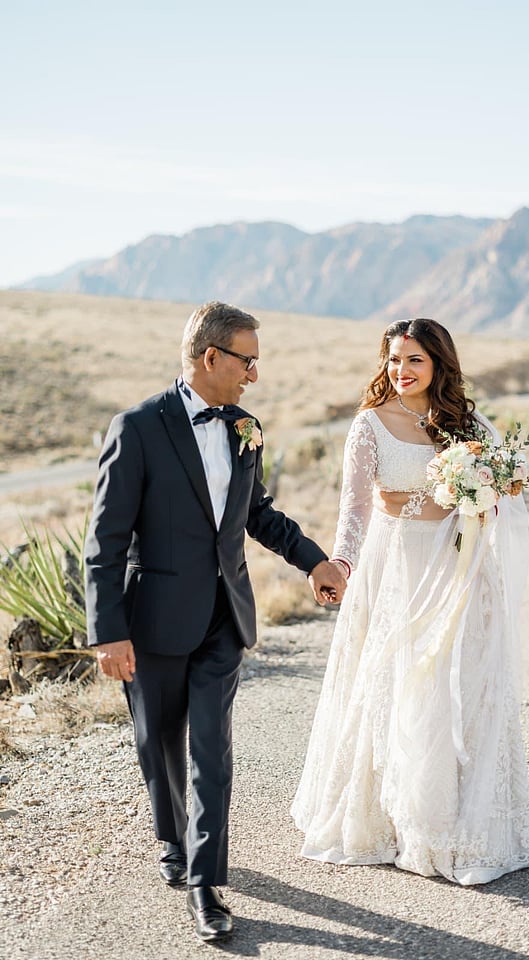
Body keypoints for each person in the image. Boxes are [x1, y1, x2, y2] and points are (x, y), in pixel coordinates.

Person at [84, 300, 346, 944]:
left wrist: (313, 561)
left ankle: (207, 884)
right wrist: (107, 631)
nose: (253, 374)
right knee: (158, 744)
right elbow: (106, 538)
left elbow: (257, 513)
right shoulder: (138, 427)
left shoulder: (245, 428)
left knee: (212, 750)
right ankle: (171, 838)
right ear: (211, 358)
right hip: (151, 621)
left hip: (224, 617)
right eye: (247, 360)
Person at [292, 317, 529, 885]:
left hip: (458, 564)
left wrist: (486, 497)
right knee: (395, 683)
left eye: (413, 361)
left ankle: (458, 812)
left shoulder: (470, 424)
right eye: (393, 360)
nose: (400, 371)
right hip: (396, 566)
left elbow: (500, 499)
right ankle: (391, 817)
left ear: (439, 365)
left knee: (460, 685)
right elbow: (355, 509)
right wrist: (343, 563)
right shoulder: (369, 425)